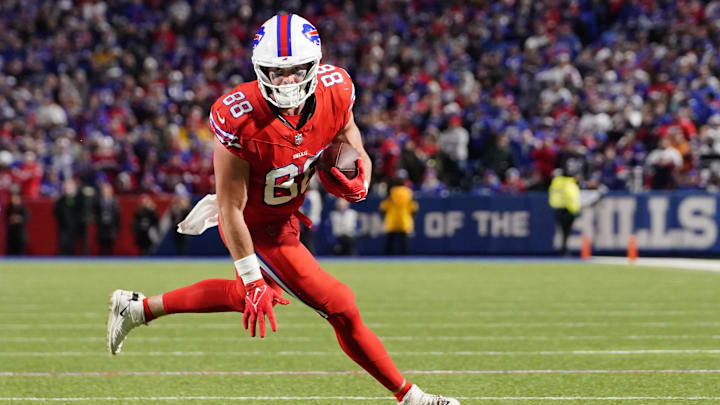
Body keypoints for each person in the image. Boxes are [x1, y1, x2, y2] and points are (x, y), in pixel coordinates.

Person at [106, 14, 459, 405]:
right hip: (254, 226)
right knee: (339, 305)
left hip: (287, 217)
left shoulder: (336, 89)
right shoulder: (237, 116)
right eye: (276, 71)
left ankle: (137, 309)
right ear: (260, 70)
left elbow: (349, 137)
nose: (287, 81)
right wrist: (252, 276)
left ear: (315, 66)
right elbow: (230, 207)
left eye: (296, 71)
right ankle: (411, 397)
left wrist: (359, 169)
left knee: (251, 296)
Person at [380, 180, 418, 255]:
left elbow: (383, 207)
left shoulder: (391, 192)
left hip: (392, 221)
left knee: (390, 245)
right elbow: (414, 208)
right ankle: (405, 261)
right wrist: (412, 219)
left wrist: (384, 219)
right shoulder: (408, 192)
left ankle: (387, 261)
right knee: (404, 244)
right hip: (404, 221)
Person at [548, 168, 581, 256]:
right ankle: (564, 250)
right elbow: (571, 198)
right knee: (566, 231)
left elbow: (553, 197)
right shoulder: (569, 184)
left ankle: (563, 249)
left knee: (563, 231)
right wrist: (574, 210)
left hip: (558, 208)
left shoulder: (556, 183)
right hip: (568, 210)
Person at [93, 182, 120, 256]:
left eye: (108, 190)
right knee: (102, 245)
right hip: (102, 226)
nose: (106, 192)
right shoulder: (98, 200)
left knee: (110, 245)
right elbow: (95, 212)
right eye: (104, 190)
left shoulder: (114, 201)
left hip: (111, 226)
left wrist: (117, 228)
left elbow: (117, 216)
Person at [5, 191, 29, 255]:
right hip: (11, 235)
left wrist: (19, 219)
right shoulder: (9, 208)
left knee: (20, 253)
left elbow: (27, 218)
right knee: (10, 254)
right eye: (13, 198)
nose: (14, 200)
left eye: (16, 198)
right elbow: (6, 219)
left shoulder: (23, 208)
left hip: (20, 235)